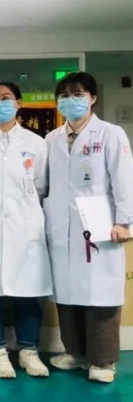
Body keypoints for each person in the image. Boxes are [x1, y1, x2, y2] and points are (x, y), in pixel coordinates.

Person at [43, 72, 133, 384]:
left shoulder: (110, 134)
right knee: (67, 293)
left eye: (78, 94)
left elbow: (123, 179)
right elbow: (45, 184)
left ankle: (103, 360)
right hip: (62, 227)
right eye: (64, 95)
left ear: (93, 98)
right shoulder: (52, 139)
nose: (70, 100)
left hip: (100, 225)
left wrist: (123, 221)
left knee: (100, 294)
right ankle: (75, 353)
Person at [0, 82, 51, 379]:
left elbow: (40, 185)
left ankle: (29, 351)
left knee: (28, 293)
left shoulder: (36, 142)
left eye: (5, 98)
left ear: (18, 103)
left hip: (25, 226)